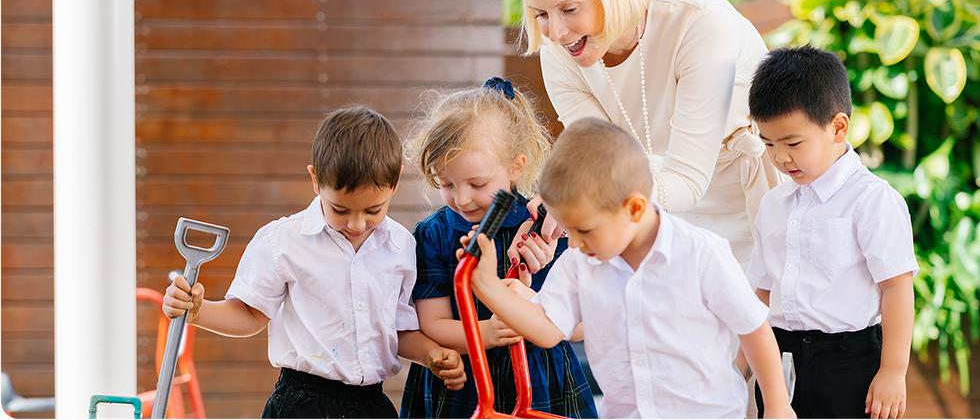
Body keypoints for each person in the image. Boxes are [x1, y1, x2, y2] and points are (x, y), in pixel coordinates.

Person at [464, 117, 795, 418]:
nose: (575, 243)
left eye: (585, 230)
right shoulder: (581, 263)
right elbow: (548, 327)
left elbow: (753, 328)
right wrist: (487, 286)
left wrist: (778, 405)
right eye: (569, 231)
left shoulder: (702, 254)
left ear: (634, 209)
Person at [162, 106, 466, 418]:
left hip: (372, 405)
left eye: (373, 210)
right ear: (316, 180)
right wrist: (199, 311)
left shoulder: (400, 247)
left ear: (396, 181)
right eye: (341, 210)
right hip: (303, 403)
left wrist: (433, 354)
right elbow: (250, 314)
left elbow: (398, 331)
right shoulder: (285, 242)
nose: (357, 224)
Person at [517, 0, 782, 268]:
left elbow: (686, 182)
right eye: (541, 15)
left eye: (569, 9)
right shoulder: (560, 53)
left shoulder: (698, 21)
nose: (557, 32)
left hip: (756, 206)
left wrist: (585, 194)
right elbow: (602, 161)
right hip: (657, 217)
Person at [400, 78, 597, 418]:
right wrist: (487, 333)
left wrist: (531, 300)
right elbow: (432, 323)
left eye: (477, 184)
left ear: (517, 165)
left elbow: (582, 324)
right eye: (445, 183)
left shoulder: (548, 226)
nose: (460, 199)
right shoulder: (435, 235)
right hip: (464, 388)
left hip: (541, 384)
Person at [746, 46, 917, 419]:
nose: (780, 158)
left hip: (849, 361)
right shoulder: (773, 204)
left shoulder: (872, 200)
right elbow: (761, 290)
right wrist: (741, 365)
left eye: (793, 143)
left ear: (837, 127)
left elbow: (897, 287)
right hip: (781, 359)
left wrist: (892, 371)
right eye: (769, 143)